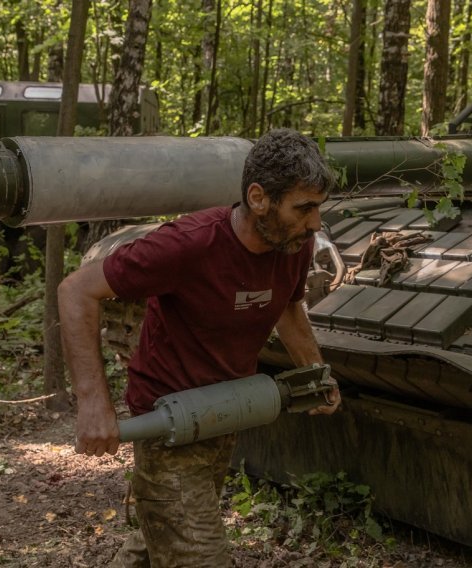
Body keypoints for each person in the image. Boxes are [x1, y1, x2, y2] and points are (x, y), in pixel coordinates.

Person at [57, 128, 342, 567]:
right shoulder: (188, 244)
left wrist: (316, 373)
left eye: (318, 208)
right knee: (196, 551)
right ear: (259, 197)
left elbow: (288, 309)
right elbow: (77, 291)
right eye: (304, 208)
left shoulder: (292, 246)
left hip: (223, 412)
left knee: (164, 536)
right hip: (166, 421)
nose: (316, 224)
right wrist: (93, 402)